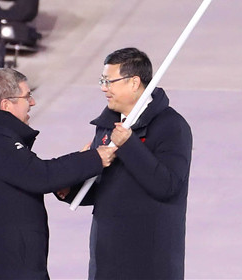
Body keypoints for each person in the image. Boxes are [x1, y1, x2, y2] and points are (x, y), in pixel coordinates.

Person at [0, 67, 118, 280]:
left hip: (5, 263)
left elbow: (29, 171)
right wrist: (95, 158)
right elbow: (39, 176)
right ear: (6, 105)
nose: (32, 103)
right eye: (27, 96)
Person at [61, 48, 193, 280]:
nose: (104, 88)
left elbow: (168, 186)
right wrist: (71, 189)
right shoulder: (107, 125)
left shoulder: (172, 126)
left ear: (134, 83)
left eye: (109, 81)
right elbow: (106, 187)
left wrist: (129, 145)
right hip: (107, 255)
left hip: (149, 258)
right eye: (102, 81)